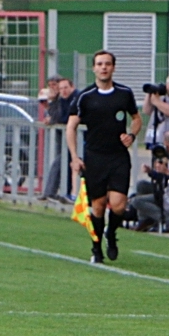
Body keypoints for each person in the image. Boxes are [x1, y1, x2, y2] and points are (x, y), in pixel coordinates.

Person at [67, 50, 140, 263]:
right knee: (97, 206)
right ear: (94, 68)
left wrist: (132, 135)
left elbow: (136, 119)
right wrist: (75, 157)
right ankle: (96, 247)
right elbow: (71, 127)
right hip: (95, 157)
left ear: (113, 67)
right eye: (99, 64)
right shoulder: (85, 97)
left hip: (118, 156)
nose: (104, 67)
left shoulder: (124, 93)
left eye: (107, 64)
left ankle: (111, 233)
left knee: (118, 205)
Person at [41, 75, 77, 201]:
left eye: (54, 85)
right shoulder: (59, 99)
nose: (54, 89)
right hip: (63, 134)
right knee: (63, 162)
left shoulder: (72, 98)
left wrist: (52, 117)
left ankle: (50, 191)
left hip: (74, 135)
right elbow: (57, 116)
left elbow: (64, 117)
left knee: (61, 160)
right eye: (50, 86)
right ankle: (63, 193)